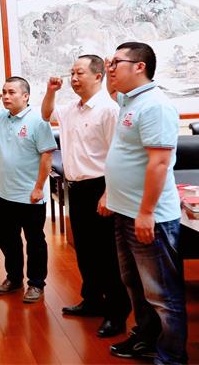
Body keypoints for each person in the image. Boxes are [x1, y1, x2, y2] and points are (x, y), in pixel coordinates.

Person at [104, 42, 187, 364]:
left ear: (140, 67)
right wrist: (111, 69)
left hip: (149, 216)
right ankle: (147, 340)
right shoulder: (130, 99)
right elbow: (111, 89)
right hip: (125, 211)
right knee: (135, 284)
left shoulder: (155, 105)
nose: (110, 68)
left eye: (117, 62)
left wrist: (146, 212)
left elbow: (159, 163)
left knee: (162, 294)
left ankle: (172, 357)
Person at [41, 55, 130, 338]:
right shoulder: (71, 109)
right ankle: (92, 300)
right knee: (85, 249)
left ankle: (116, 313)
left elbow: (119, 155)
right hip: (76, 188)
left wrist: (109, 193)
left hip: (101, 187)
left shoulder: (109, 110)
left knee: (107, 254)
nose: (74, 78)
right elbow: (46, 114)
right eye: (72, 73)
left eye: (80, 73)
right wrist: (51, 91)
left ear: (98, 76)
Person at [0, 76, 56, 303]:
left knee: (35, 242)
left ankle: (36, 283)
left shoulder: (38, 120)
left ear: (25, 96)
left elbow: (47, 155)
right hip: (5, 193)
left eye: (12, 92)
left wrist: (39, 188)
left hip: (31, 195)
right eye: (4, 92)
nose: (6, 96)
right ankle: (14, 279)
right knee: (8, 240)